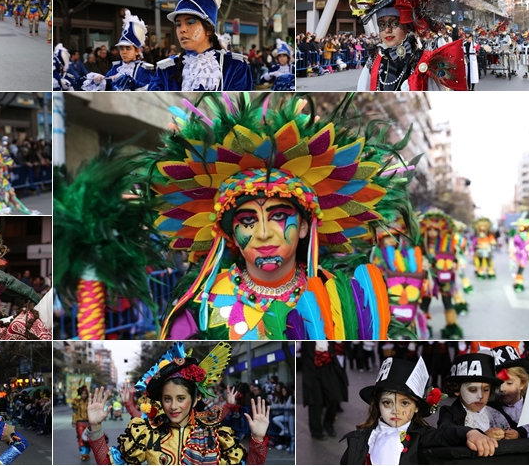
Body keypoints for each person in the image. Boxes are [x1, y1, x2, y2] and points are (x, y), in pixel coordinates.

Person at [152, 93, 412, 340]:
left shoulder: (341, 296)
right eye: (247, 221)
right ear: (230, 232)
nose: (263, 233)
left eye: (278, 216)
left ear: (303, 227)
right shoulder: (201, 308)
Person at [85, 342, 270, 464]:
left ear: (196, 398)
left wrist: (258, 440)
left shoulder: (214, 434)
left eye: (181, 398)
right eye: (167, 399)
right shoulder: (147, 432)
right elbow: (108, 463)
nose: (173, 406)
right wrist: (95, 427)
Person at [341, 357, 498, 464]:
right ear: (377, 405)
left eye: (404, 403)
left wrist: (470, 433)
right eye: (387, 403)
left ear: (416, 407)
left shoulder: (422, 436)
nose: (396, 411)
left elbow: (445, 434)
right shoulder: (360, 438)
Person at [351, 0, 467, 91]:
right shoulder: (374, 61)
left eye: (394, 23)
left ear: (408, 26)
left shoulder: (424, 61)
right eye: (382, 25)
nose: (387, 30)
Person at [148, 0, 252, 91]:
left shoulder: (235, 66)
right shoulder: (165, 70)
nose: (182, 29)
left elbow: (237, 108)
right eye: (178, 24)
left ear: (209, 29)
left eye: (190, 22)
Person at [437, 352, 513, 439]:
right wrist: (482, 435)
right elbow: (445, 433)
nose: (480, 396)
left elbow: (516, 427)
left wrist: (517, 433)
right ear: (457, 389)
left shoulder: (497, 410)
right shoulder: (449, 413)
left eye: (486, 390)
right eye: (472, 390)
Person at [82, 10, 154, 91]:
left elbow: (149, 89)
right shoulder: (116, 67)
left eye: (128, 48)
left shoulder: (143, 68)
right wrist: (101, 80)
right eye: (121, 48)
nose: (124, 51)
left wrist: (131, 82)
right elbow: (107, 87)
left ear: (137, 51)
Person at [418, 209, 463, 339]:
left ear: (440, 231)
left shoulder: (447, 242)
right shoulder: (422, 244)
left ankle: (452, 326)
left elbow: (454, 257)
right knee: (425, 302)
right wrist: (423, 261)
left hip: (444, 276)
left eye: (435, 230)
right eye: (430, 230)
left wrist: (451, 262)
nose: (432, 233)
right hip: (428, 277)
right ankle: (423, 327)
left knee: (447, 300)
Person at [489, 344, 529, 437]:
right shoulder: (490, 411)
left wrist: (519, 434)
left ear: (522, 383)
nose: (503, 389)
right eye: (498, 385)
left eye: (509, 383)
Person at [510, 218, 529, 291]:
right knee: (521, 268)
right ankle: (519, 284)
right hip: (523, 254)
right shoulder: (519, 234)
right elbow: (516, 244)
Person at [71, 385, 91, 461]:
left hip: (88, 423)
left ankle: (87, 453)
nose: (84, 395)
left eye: (85, 393)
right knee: (81, 438)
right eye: (82, 393)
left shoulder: (90, 402)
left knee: (88, 438)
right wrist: (73, 421)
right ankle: (83, 454)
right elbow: (75, 413)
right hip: (79, 422)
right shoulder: (76, 402)